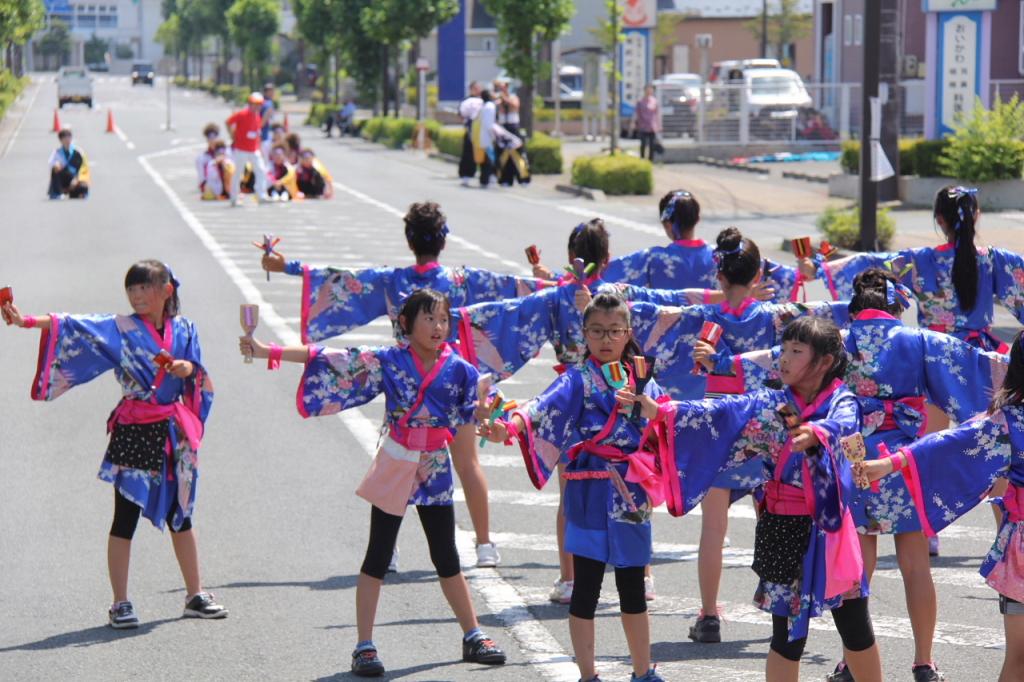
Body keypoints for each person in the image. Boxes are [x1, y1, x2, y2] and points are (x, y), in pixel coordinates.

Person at [720, 267, 1007, 682]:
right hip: (901, 460)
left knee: (854, 568)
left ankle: (846, 661)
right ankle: (924, 660)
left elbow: (767, 363)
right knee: (914, 563)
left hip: (848, 459)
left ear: (854, 306)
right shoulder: (917, 340)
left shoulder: (836, 342)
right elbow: (977, 365)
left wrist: (718, 363)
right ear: (894, 307)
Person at [259, 201, 552, 567]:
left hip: (405, 376)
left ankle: (389, 549)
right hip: (455, 376)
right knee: (467, 462)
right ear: (443, 240)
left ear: (409, 239)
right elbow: (517, 289)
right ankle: (484, 545)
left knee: (397, 460)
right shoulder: (461, 280)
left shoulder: (392, 281)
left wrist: (285, 266)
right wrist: (560, 283)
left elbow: (343, 279)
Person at [239, 289, 506, 677]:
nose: (438, 327)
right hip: (398, 461)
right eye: (428, 319)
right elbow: (328, 359)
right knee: (378, 554)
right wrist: (267, 351)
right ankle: (364, 645)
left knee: (446, 555)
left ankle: (473, 635)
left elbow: (480, 410)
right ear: (405, 324)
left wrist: (489, 416)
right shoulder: (389, 361)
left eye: (443, 319)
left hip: (434, 465)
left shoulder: (460, 368)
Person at [628, 316, 882, 682]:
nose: (785, 358)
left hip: (830, 530)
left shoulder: (843, 401)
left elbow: (844, 424)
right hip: (783, 526)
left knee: (855, 627)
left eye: (797, 351)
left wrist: (816, 431)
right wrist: (662, 411)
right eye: (784, 350)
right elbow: (720, 411)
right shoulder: (771, 405)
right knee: (787, 636)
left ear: (825, 362)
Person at [1, 260, 227, 629]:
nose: (137, 296)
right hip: (135, 427)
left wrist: (188, 369)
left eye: (145, 288)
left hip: (175, 432)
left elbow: (198, 376)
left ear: (166, 291)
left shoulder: (185, 328)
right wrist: (25, 321)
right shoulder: (120, 328)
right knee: (125, 518)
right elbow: (71, 324)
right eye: (132, 290)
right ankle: (120, 602)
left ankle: (195, 594)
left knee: (182, 514)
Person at [479, 292, 667, 682]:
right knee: (586, 589)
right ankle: (587, 675)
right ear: (583, 334)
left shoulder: (643, 378)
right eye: (597, 330)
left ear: (628, 332)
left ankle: (642, 671)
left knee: (632, 587)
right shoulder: (576, 380)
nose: (606, 339)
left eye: (615, 330)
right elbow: (538, 408)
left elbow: (666, 421)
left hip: (630, 492)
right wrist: (506, 428)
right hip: (588, 491)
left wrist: (652, 411)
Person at [855, 329, 1024, 682]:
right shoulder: (1009, 423)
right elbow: (948, 442)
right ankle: (921, 659)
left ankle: (876, 659)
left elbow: (947, 443)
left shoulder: (1010, 423)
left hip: (1020, 547)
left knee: (1020, 659)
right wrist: (889, 464)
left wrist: (889, 464)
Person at [226, 92, 269, 205]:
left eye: (259, 104)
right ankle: (234, 197)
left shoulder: (257, 116)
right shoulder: (241, 114)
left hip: (254, 150)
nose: (257, 106)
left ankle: (261, 195)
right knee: (238, 173)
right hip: (241, 149)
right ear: (250, 103)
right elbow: (228, 122)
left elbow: (257, 132)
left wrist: (259, 147)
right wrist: (232, 135)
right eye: (255, 104)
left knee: (261, 170)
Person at [47, 128, 89, 199]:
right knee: (55, 169)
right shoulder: (57, 152)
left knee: (84, 187)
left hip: (75, 179)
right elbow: (51, 163)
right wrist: (56, 164)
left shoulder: (78, 152)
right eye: (64, 138)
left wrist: (77, 179)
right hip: (63, 180)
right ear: (61, 140)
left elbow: (84, 168)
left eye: (69, 137)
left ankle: (74, 193)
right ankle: (57, 193)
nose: (67, 140)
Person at [458, 82, 483, 186]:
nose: (477, 90)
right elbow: (460, 114)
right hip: (470, 129)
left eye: (478, 88)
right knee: (468, 153)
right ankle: (466, 174)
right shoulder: (466, 100)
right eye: (475, 88)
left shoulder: (484, 100)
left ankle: (485, 176)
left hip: (482, 131)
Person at [471, 90, 497, 188]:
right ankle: (486, 180)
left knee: (483, 160)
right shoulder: (490, 106)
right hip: (487, 137)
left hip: (480, 137)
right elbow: (489, 124)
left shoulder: (483, 106)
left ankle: (483, 180)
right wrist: (493, 136)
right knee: (488, 160)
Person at [631, 84, 661, 161]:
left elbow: (657, 114)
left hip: (652, 126)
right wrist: (633, 123)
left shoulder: (654, 101)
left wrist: (659, 125)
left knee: (652, 144)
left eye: (650, 89)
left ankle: (651, 161)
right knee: (643, 144)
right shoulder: (640, 102)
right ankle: (642, 159)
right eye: (647, 89)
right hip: (643, 126)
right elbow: (636, 113)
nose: (649, 91)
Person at [195, 123, 221, 192]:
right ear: (207, 139)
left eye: (214, 137)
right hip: (210, 188)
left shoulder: (225, 153)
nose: (212, 140)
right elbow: (202, 178)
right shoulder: (202, 158)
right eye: (210, 138)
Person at [259, 82, 277, 158]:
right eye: (272, 91)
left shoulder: (261, 102)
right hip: (264, 135)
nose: (273, 93)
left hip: (262, 135)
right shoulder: (268, 104)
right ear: (267, 92)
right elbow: (264, 119)